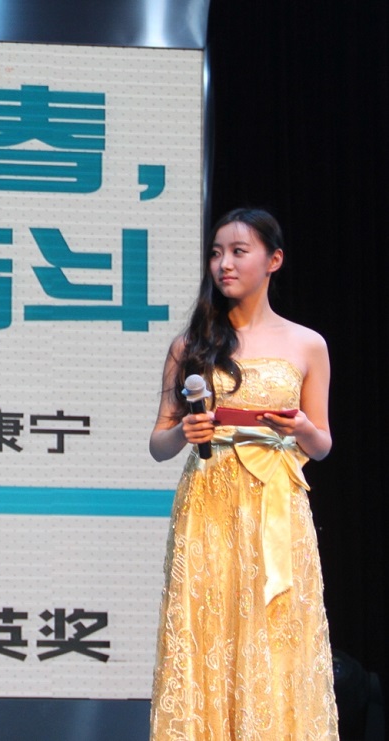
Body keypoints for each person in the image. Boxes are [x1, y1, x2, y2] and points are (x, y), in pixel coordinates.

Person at [148, 208, 337, 739]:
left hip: (276, 503)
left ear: (273, 260)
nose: (224, 264)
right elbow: (158, 443)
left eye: (238, 252)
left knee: (274, 630)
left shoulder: (307, 344)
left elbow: (322, 445)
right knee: (208, 626)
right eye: (216, 253)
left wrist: (302, 427)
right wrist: (184, 433)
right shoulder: (191, 344)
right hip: (209, 500)